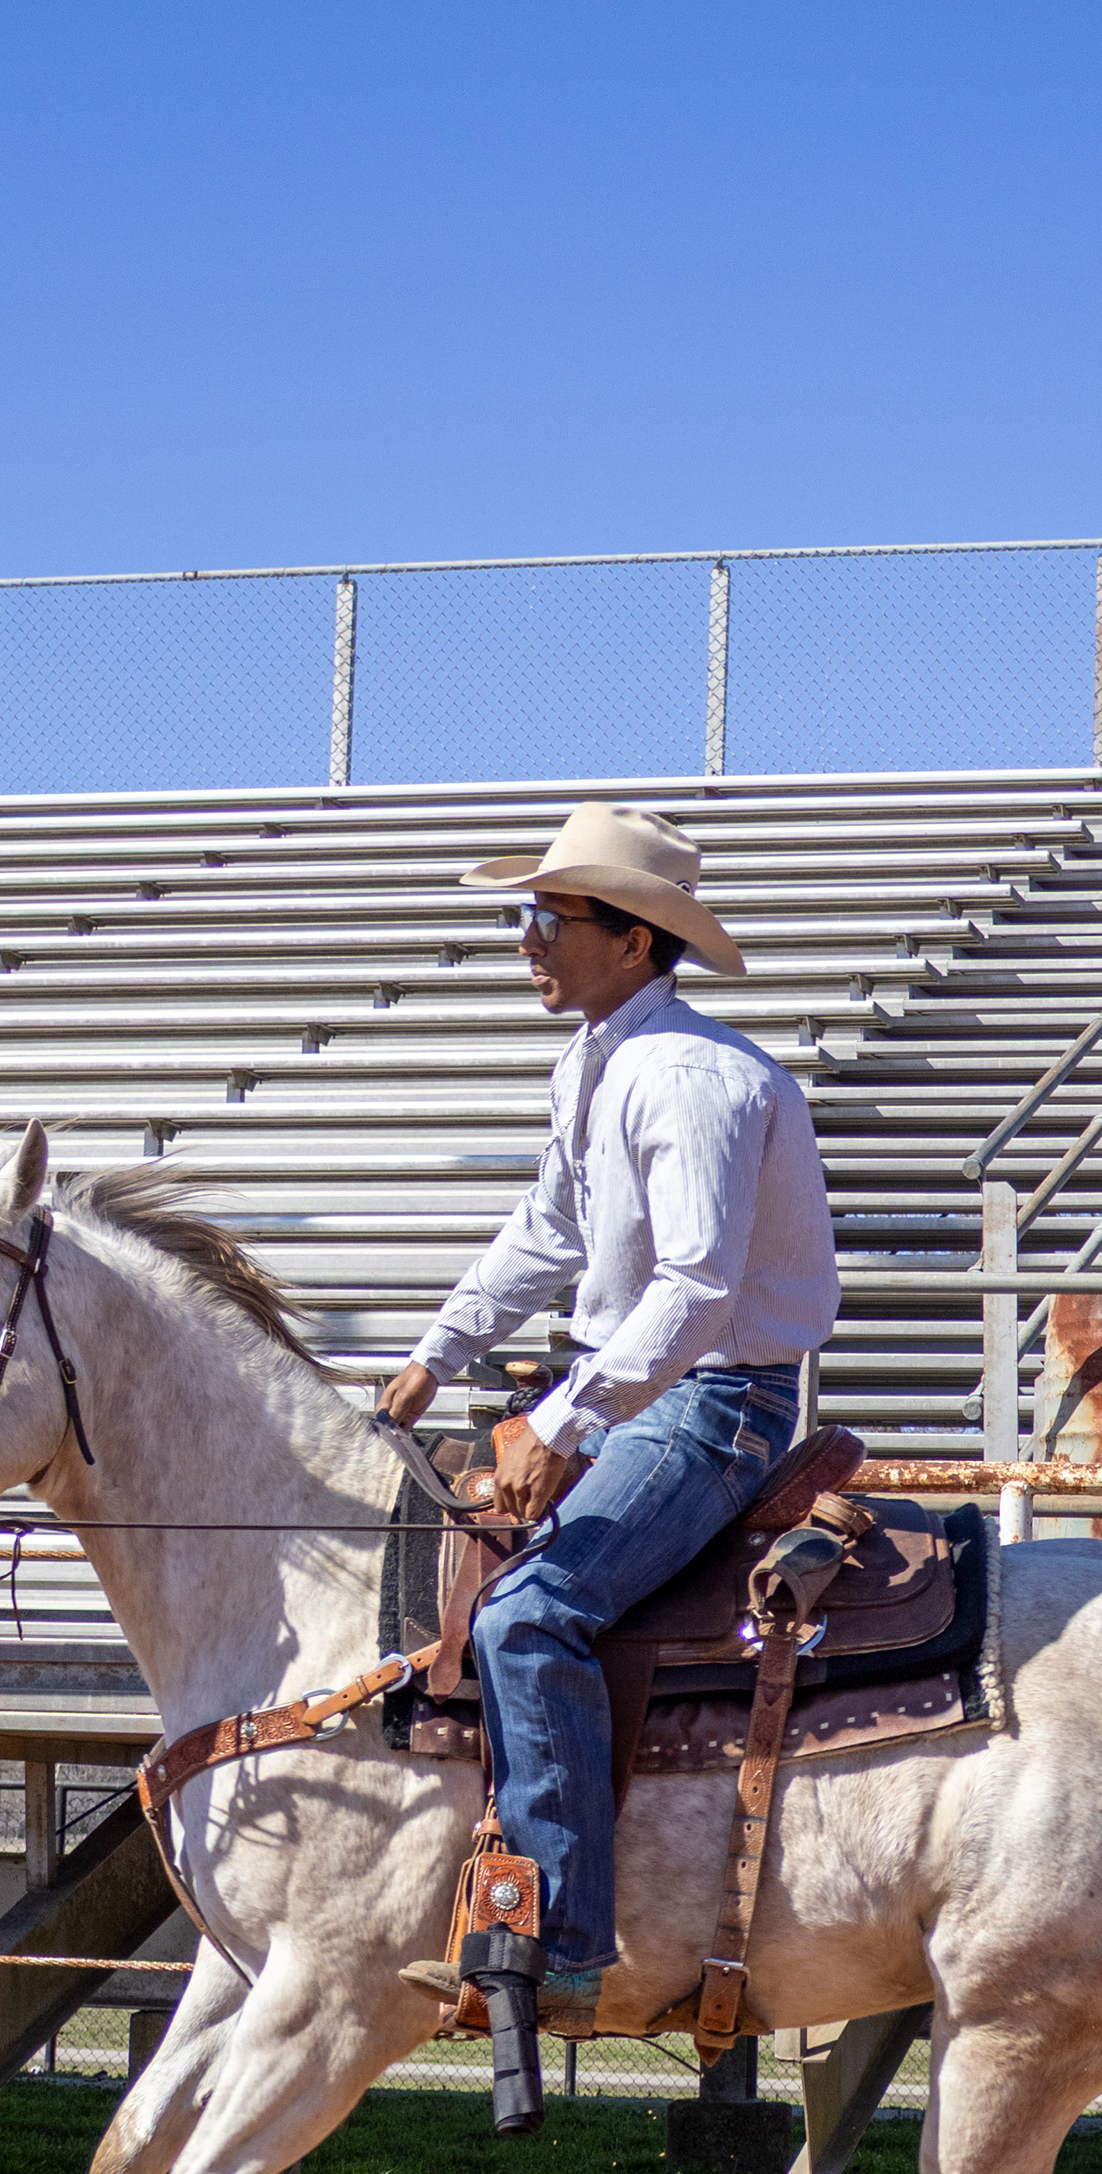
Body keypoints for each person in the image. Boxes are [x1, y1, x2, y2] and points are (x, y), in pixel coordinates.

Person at [375, 802, 839, 2030]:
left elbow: (696, 1288)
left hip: (716, 1402)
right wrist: (439, 1349)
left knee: (531, 1612)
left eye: (549, 916)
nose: (526, 937)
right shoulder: (597, 1060)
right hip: (643, 1386)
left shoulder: (688, 1077)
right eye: (526, 912)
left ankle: (560, 1943)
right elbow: (549, 1232)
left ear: (634, 942)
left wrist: (564, 1422)